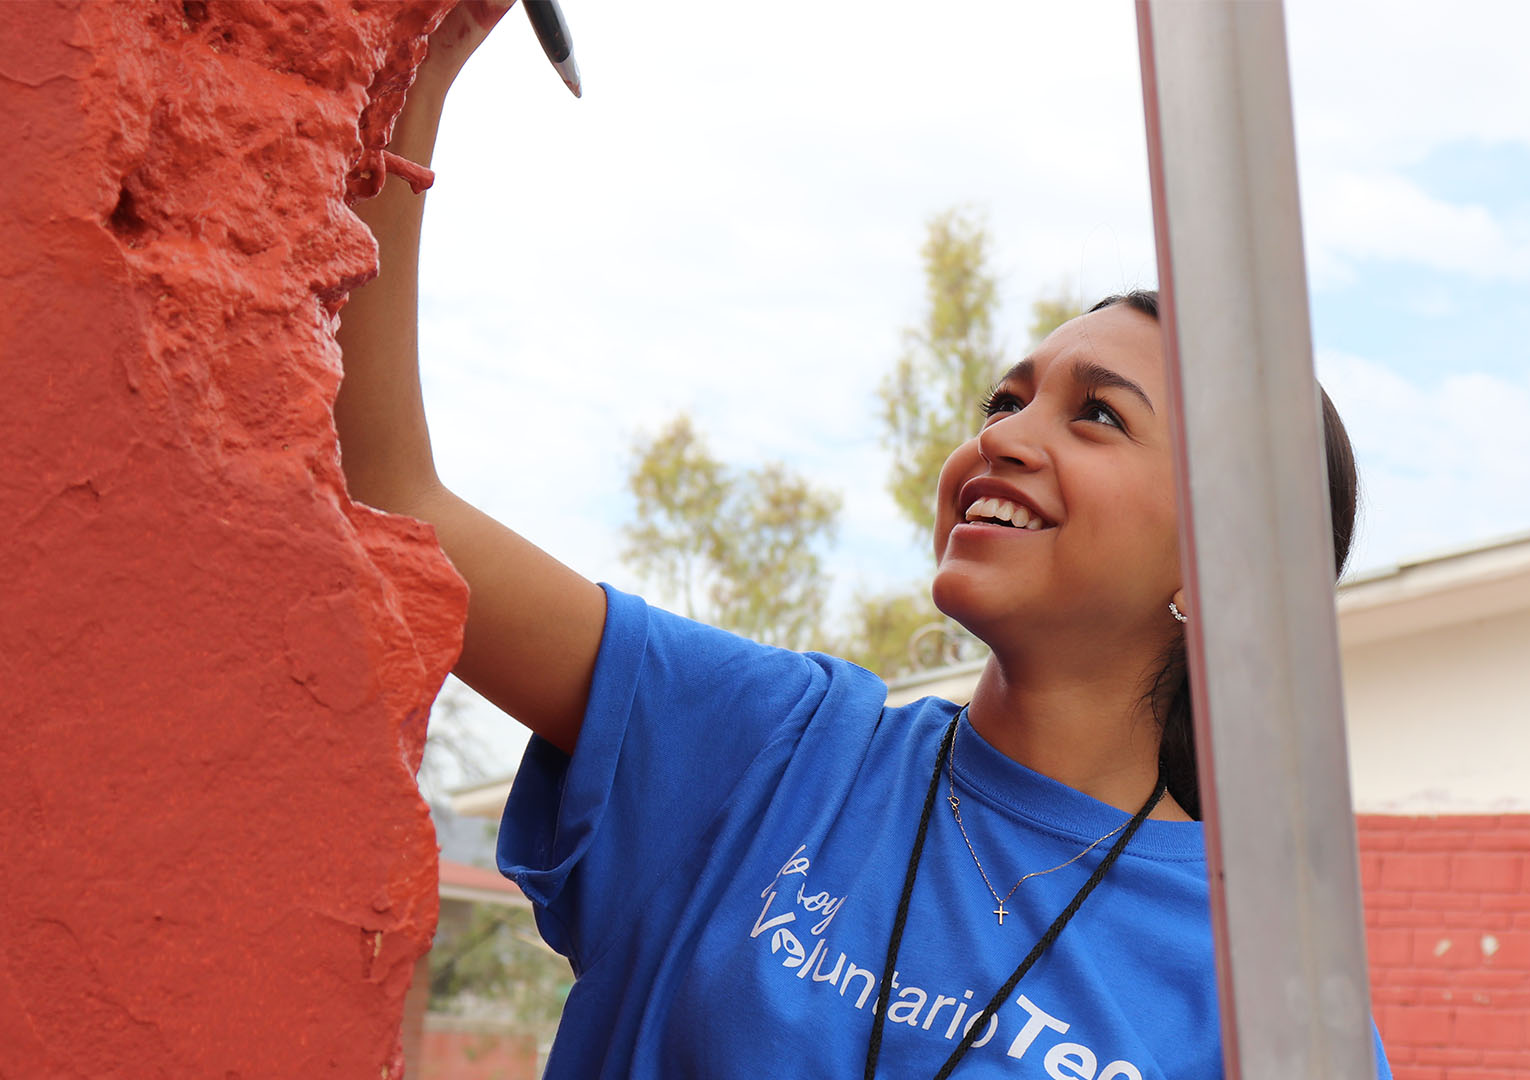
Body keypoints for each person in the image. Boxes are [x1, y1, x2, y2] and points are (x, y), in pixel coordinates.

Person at [337, 3, 1395, 1077]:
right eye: (1004, 401)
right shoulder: (772, 748)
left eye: (1098, 415)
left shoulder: (1266, 988)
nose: (1003, 437)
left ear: (1223, 574)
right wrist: (414, 63)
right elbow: (388, 502)